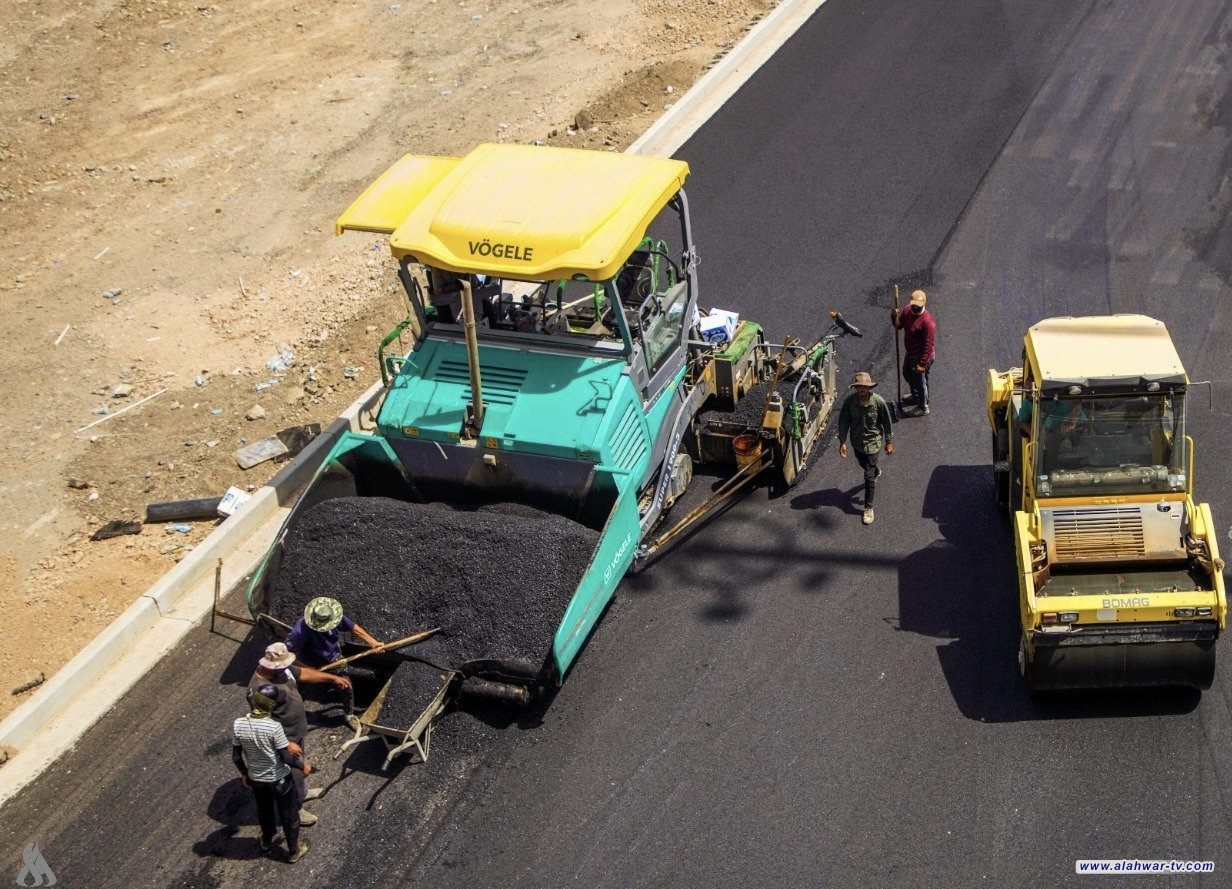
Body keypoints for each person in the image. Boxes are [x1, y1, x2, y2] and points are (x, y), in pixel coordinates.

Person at [249, 641, 349, 822]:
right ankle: (295, 809)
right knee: (292, 772)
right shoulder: (260, 690)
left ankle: (301, 792)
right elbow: (261, 723)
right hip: (284, 740)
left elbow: (303, 673)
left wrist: (331, 678)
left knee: (298, 771)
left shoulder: (282, 670)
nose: (288, 667)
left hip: (296, 732)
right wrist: (286, 744)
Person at [232, 684, 311, 863]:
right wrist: (302, 764)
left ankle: (266, 841)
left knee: (264, 810)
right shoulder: (274, 727)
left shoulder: (239, 724)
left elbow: (236, 756)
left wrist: (245, 773)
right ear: (271, 706)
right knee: (289, 814)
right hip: (279, 779)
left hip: (257, 780)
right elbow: (285, 757)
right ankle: (293, 852)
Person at [285, 597, 378, 730]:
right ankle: (293, 716)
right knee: (298, 690)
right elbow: (288, 655)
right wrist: (307, 669)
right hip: (309, 662)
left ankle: (348, 715)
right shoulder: (300, 631)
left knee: (346, 684)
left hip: (333, 657)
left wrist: (373, 643)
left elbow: (354, 628)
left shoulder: (333, 615)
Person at [836, 372, 895, 525]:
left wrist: (889, 441)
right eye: (859, 386)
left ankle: (868, 507)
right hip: (857, 443)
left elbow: (887, 423)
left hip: (873, 443)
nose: (862, 389)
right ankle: (875, 470)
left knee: (868, 476)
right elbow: (843, 422)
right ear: (855, 388)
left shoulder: (878, 402)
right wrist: (842, 441)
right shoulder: (849, 402)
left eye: (865, 386)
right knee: (864, 465)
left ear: (870, 387)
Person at [890, 289, 936, 416]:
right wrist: (894, 316)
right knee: (907, 373)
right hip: (911, 353)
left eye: (918, 306)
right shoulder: (907, 311)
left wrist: (922, 364)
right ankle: (916, 396)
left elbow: (928, 345)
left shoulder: (928, 322)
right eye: (913, 305)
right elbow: (898, 326)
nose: (915, 307)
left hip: (922, 356)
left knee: (920, 381)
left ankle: (922, 406)